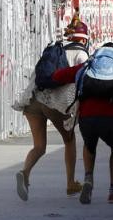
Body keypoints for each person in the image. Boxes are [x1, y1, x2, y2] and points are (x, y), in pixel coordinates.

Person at [14, 16, 90, 201]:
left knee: (39, 146)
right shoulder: (82, 54)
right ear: (84, 38)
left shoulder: (54, 49)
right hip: (56, 104)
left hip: (33, 100)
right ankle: (71, 184)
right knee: (69, 141)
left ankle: (25, 172)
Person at [51, 42, 113, 205]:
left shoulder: (88, 66)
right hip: (110, 118)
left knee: (89, 146)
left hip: (87, 118)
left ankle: (88, 179)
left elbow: (58, 76)